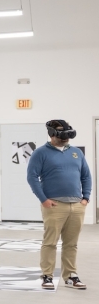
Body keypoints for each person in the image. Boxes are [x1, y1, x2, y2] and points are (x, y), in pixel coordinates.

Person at [26, 120, 91, 290]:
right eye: (62, 135)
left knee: (71, 244)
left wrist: (86, 198)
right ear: (51, 134)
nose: (65, 138)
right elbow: (32, 177)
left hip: (76, 205)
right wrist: (44, 199)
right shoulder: (40, 153)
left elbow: (86, 176)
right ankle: (47, 276)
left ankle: (70, 276)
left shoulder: (76, 152)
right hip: (54, 206)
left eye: (68, 134)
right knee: (50, 243)